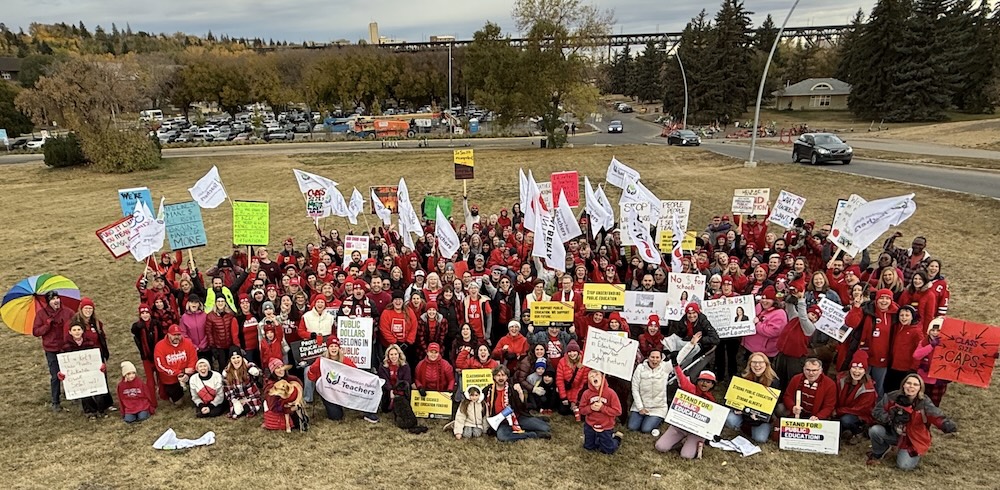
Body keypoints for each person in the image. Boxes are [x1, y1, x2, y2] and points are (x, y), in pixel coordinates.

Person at [867, 374, 958, 470]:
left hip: (913, 439)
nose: (911, 386)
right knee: (874, 430)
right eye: (909, 383)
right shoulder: (892, 397)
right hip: (894, 432)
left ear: (920, 388)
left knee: (904, 466)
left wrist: (945, 424)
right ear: (903, 385)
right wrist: (891, 418)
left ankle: (909, 453)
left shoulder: (924, 402)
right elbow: (877, 411)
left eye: (915, 384)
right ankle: (880, 451)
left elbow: (934, 414)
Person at [308, 337, 380, 423]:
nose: (333, 348)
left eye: (335, 346)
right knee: (336, 417)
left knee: (359, 390)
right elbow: (311, 376)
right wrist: (315, 370)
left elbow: (356, 373)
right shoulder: (322, 361)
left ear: (339, 348)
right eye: (331, 346)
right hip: (329, 392)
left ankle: (368, 412)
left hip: (343, 389)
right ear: (328, 348)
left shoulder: (345, 360)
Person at [655, 367, 718, 459]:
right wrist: (675, 365)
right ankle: (679, 441)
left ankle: (694, 443)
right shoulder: (690, 389)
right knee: (660, 447)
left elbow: (713, 422)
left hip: (696, 432)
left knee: (686, 455)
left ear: (712, 385)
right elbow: (682, 378)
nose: (704, 384)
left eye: (708, 382)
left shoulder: (712, 402)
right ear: (697, 381)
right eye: (702, 381)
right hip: (680, 426)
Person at [482, 365, 551, 442]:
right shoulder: (488, 390)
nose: (501, 378)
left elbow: (522, 407)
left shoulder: (512, 389)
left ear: (507, 377)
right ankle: (533, 434)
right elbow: (476, 396)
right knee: (502, 436)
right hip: (502, 422)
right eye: (498, 375)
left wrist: (520, 393)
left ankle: (535, 420)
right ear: (494, 377)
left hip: (517, 417)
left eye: (503, 375)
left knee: (546, 428)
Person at [32, 291, 74, 412]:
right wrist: (47, 325)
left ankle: (75, 395)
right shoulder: (41, 314)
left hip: (67, 347)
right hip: (52, 349)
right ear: (48, 302)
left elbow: (76, 324)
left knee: (71, 373)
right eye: (52, 299)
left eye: (57, 298)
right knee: (55, 376)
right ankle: (55, 401)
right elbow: (36, 332)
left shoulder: (68, 312)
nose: (56, 301)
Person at [725, 352, 780, 443]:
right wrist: (736, 407)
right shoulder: (742, 377)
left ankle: (755, 427)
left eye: (761, 362)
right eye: (754, 362)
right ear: (749, 364)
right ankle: (743, 425)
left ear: (766, 364)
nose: (757, 365)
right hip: (743, 413)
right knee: (730, 420)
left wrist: (760, 416)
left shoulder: (774, 382)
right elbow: (734, 396)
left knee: (760, 439)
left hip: (760, 418)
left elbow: (773, 405)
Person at [60, 323, 113, 419]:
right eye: (74, 330)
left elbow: (96, 358)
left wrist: (101, 366)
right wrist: (62, 373)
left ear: (83, 331)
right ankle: (90, 412)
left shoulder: (90, 343)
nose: (77, 332)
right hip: (78, 375)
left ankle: (101, 410)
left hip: (92, 373)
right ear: (70, 332)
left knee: (98, 392)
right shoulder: (66, 346)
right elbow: (64, 363)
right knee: (84, 393)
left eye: (79, 329)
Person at [835, 350, 877, 444]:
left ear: (865, 371)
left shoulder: (868, 388)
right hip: (841, 410)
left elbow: (859, 409)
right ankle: (845, 432)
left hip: (858, 415)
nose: (857, 371)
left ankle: (859, 431)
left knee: (846, 420)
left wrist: (838, 411)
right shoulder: (841, 379)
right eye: (854, 367)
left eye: (860, 368)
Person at [579, 370, 624, 454]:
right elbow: (581, 410)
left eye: (596, 375)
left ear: (602, 378)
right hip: (590, 425)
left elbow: (618, 411)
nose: (594, 377)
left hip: (606, 426)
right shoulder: (586, 393)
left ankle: (617, 438)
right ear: (589, 381)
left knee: (608, 450)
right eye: (591, 376)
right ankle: (597, 439)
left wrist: (602, 408)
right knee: (588, 447)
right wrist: (590, 408)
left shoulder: (611, 393)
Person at [153, 324, 198, 406]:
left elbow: (193, 359)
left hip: (187, 374)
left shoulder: (187, 343)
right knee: (178, 403)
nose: (176, 337)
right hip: (170, 378)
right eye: (174, 335)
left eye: (178, 334)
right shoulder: (160, 346)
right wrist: (180, 372)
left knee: (197, 379)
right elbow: (161, 366)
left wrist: (187, 373)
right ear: (168, 334)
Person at [131, 304, 165, 406]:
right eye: (143, 313)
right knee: (150, 380)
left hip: (157, 355)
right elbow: (134, 331)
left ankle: (164, 395)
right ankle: (152, 400)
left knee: (161, 376)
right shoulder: (137, 326)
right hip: (146, 357)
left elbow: (161, 337)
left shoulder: (156, 324)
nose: (145, 315)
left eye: (147, 313)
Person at [628, 349, 669, 434]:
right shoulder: (640, 368)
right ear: (648, 358)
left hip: (658, 408)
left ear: (661, 359)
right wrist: (640, 408)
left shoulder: (665, 368)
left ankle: (657, 419)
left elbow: (679, 358)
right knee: (632, 427)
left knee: (645, 429)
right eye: (652, 357)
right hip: (640, 406)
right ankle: (644, 418)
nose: (654, 360)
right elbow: (635, 389)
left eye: (657, 357)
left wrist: (691, 344)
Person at [913, 318, 951, 407]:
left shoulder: (948, 345)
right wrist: (931, 346)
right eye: (932, 330)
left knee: (934, 404)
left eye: (938, 330)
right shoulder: (924, 342)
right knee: (920, 402)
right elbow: (916, 355)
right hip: (924, 378)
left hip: (938, 380)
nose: (935, 333)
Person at [886, 305, 924, 392]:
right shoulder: (897, 327)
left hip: (905, 368)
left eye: (907, 315)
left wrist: (913, 368)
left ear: (912, 317)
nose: (904, 318)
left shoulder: (916, 332)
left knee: (900, 390)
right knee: (889, 389)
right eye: (901, 315)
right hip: (893, 365)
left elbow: (919, 351)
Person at [223, 347, 263, 419]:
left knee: (250, 409)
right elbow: (228, 391)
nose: (236, 360)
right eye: (233, 358)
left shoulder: (248, 367)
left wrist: (254, 370)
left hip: (250, 396)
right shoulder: (227, 373)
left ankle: (247, 407)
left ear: (242, 358)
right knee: (237, 412)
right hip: (237, 399)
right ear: (230, 360)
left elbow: (259, 373)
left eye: (238, 357)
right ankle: (241, 406)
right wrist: (234, 401)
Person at [556, 340, 590, 417]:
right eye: (570, 352)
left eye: (574, 351)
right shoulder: (562, 362)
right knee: (563, 410)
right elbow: (559, 380)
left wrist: (575, 401)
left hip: (579, 391)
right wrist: (564, 397)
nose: (572, 354)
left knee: (581, 412)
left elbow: (583, 383)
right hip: (567, 390)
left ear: (578, 352)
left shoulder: (584, 362)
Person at [377, 344, 412, 413]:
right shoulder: (383, 366)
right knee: (385, 410)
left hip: (401, 390)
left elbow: (407, 380)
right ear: (388, 356)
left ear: (399, 354)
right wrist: (390, 390)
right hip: (388, 390)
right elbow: (384, 380)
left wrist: (397, 391)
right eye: (391, 354)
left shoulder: (405, 366)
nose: (394, 357)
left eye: (395, 354)